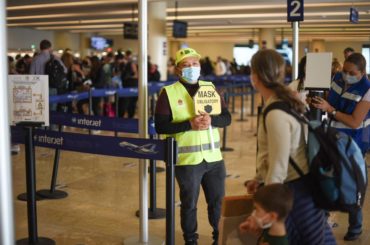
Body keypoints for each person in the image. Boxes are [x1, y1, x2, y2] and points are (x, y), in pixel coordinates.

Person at [244, 49, 336, 245]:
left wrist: (265, 209)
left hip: (294, 193)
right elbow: (273, 154)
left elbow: (279, 166)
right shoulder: (282, 102)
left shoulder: (276, 112)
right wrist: (259, 178)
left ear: (255, 76)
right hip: (299, 187)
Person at [155, 47, 231, 245]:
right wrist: (189, 124)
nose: (191, 68)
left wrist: (212, 120)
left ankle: (218, 238)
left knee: (217, 204)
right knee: (189, 205)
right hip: (187, 161)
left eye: (194, 64)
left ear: (199, 66)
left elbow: (227, 118)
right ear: (178, 70)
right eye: (186, 65)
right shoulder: (168, 93)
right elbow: (160, 126)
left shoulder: (209, 88)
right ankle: (191, 240)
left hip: (214, 159)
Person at [311, 52, 370, 241]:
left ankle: (356, 226)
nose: (346, 74)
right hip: (332, 136)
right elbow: (330, 97)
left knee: (353, 183)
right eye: (344, 70)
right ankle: (323, 219)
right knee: (325, 176)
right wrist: (319, 102)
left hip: (356, 141)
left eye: (351, 72)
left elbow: (354, 121)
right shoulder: (337, 77)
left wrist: (331, 110)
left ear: (362, 72)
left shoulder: (367, 90)